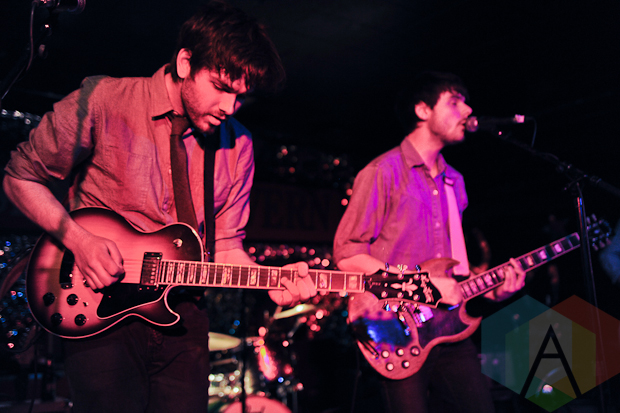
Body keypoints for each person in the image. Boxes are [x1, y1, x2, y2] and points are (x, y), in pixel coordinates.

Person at [3, 2, 316, 412]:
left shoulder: (238, 145)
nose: (229, 108)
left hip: (183, 316)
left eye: (241, 97)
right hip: (99, 306)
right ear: (185, 62)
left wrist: (270, 281)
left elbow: (226, 245)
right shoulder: (106, 100)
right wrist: (79, 241)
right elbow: (20, 177)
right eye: (221, 87)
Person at [333, 71, 526, 413]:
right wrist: (421, 284)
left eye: (465, 102)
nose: (467, 110)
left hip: (450, 329)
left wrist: (490, 290)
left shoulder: (455, 181)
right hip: (394, 328)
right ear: (422, 110)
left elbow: (452, 271)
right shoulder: (382, 172)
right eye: (454, 102)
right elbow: (347, 253)